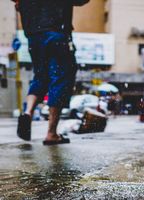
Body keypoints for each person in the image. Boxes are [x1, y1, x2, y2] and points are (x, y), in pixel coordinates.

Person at [12, 0, 90, 145]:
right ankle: (51, 133)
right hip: (56, 33)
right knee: (61, 78)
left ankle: (28, 112)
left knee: (40, 76)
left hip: (34, 35)